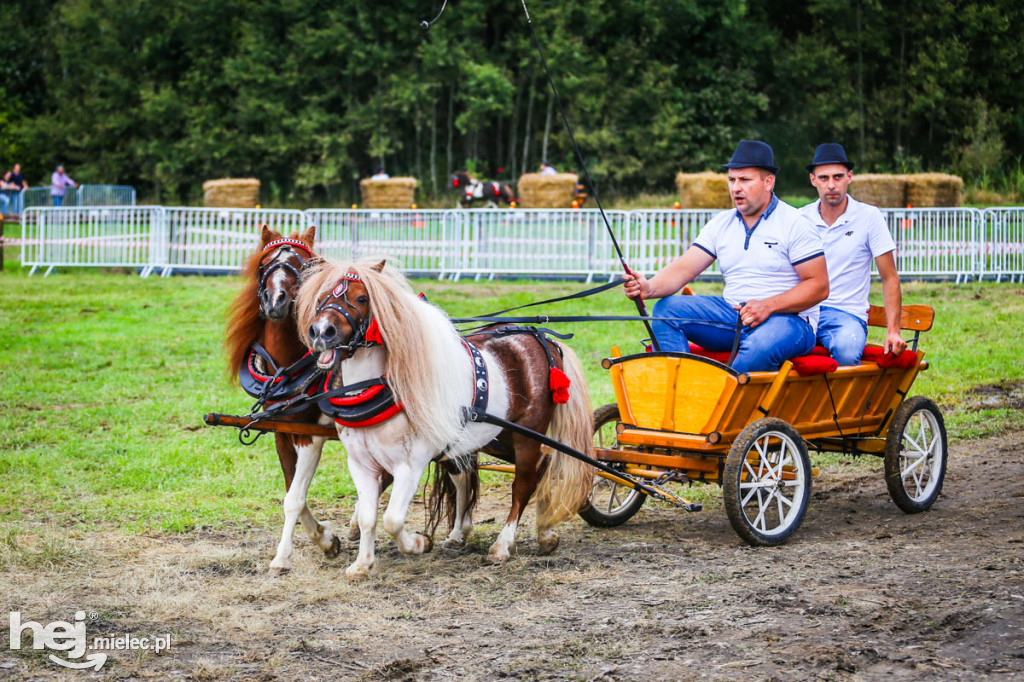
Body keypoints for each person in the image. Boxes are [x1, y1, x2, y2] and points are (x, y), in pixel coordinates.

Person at [623, 140, 829, 373]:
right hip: (733, 317)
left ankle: (722, 402)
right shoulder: (721, 224)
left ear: (768, 182)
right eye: (732, 180)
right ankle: (682, 391)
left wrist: (768, 306)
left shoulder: (795, 223)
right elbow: (684, 269)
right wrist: (647, 287)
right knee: (666, 310)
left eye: (745, 180)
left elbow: (819, 286)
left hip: (791, 322)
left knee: (760, 344)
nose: (736, 188)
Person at [801, 143, 906, 365]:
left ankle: (843, 401)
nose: (831, 185)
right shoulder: (799, 218)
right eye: (824, 178)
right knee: (771, 346)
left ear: (850, 176)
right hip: (804, 312)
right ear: (813, 180)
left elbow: (889, 277)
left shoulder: (869, 216)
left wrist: (893, 331)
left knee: (846, 351)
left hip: (846, 314)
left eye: (838, 177)